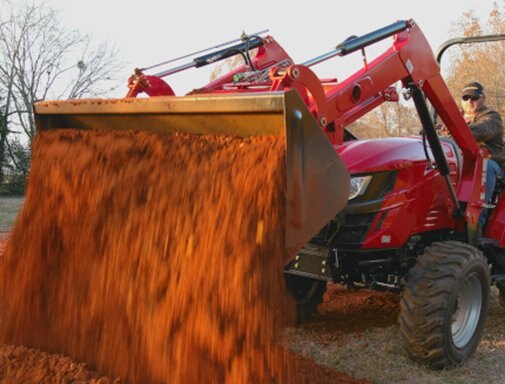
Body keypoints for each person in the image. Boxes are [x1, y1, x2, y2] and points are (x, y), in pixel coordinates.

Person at [460, 82, 505, 228]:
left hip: (494, 165)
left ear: (483, 98)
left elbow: (482, 130)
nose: (470, 101)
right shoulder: (454, 119)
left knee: (485, 167)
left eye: (474, 97)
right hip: (463, 164)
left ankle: (477, 222)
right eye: (466, 97)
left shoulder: (492, 117)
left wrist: (452, 130)